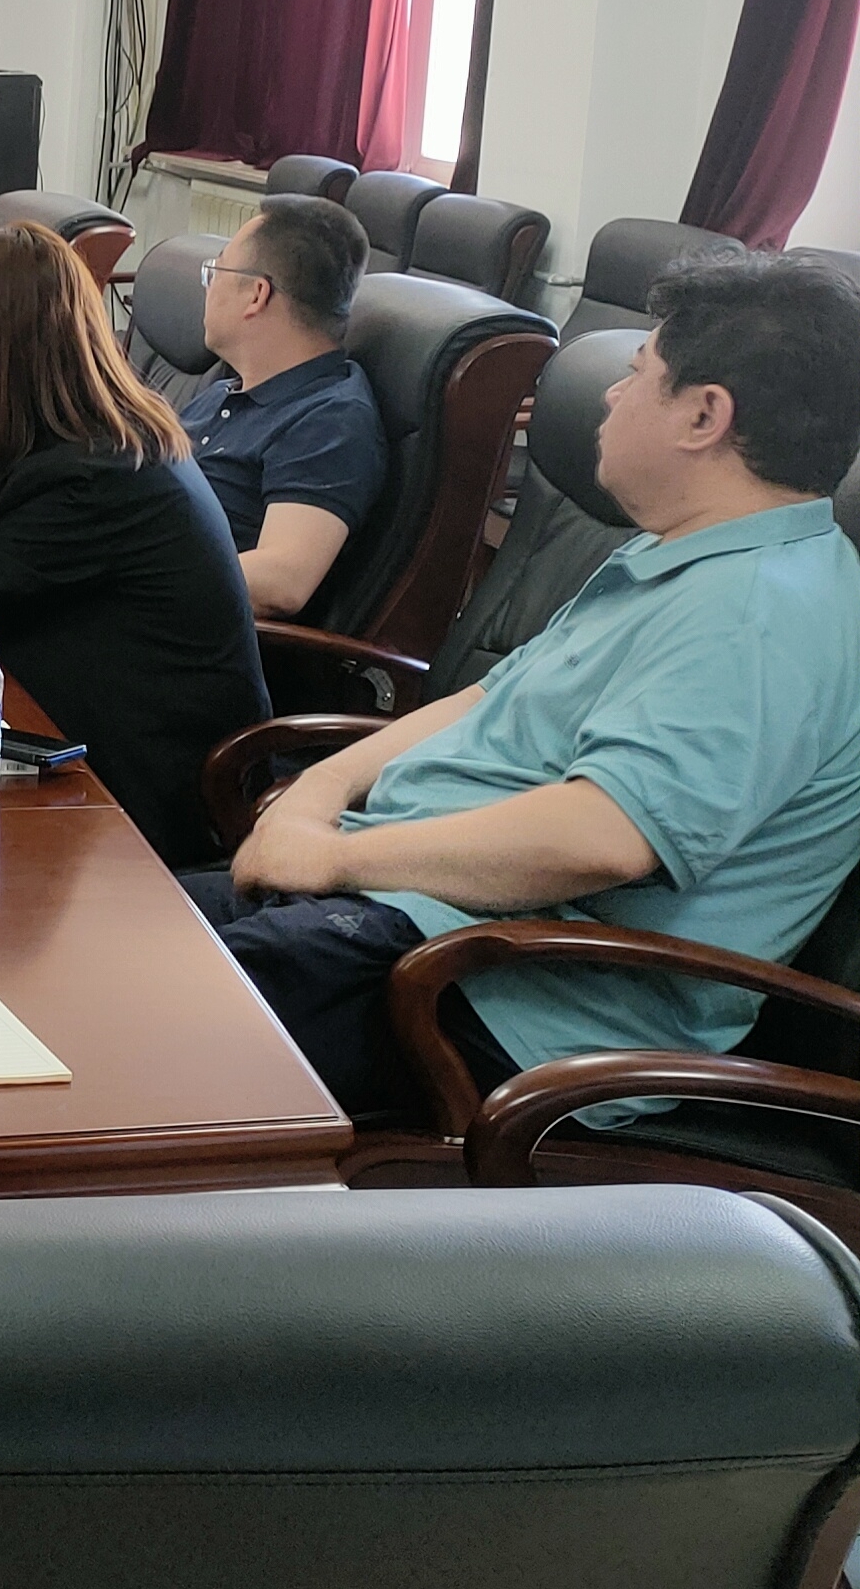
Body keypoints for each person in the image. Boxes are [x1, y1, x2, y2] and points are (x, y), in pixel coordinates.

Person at [190, 251, 860, 1123]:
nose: (612, 396)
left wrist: (338, 858)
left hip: (483, 991)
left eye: (637, 375)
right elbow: (487, 697)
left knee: (106, 1035)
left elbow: (601, 839)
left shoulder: (760, 615)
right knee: (106, 939)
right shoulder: (680, 553)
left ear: (704, 415)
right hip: (409, 909)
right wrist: (322, 790)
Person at [0, 221, 269, 867]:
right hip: (85, 736)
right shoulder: (97, 442)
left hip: (141, 797)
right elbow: (3, 551)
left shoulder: (94, 475)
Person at [178, 195, 386, 618]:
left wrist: (127, 573)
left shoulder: (329, 419)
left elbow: (283, 580)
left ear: (257, 294)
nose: (209, 287)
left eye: (216, 271)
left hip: (176, 630)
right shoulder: (226, 391)